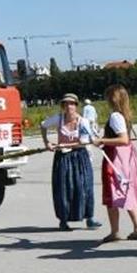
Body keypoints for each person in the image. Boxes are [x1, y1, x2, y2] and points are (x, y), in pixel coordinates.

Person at [40, 93, 102, 231]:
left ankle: (89, 218)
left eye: (72, 103)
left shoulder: (83, 122)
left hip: (80, 157)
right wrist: (47, 143)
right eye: (66, 104)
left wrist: (73, 143)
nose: (69, 106)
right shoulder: (59, 119)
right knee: (64, 189)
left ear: (76, 106)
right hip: (63, 158)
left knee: (85, 187)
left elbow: (84, 140)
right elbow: (43, 125)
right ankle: (63, 221)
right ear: (63, 106)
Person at [94, 84, 137, 242]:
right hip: (125, 157)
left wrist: (102, 140)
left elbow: (123, 139)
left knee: (112, 192)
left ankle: (115, 231)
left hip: (116, 158)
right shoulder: (124, 115)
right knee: (126, 190)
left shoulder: (116, 116)